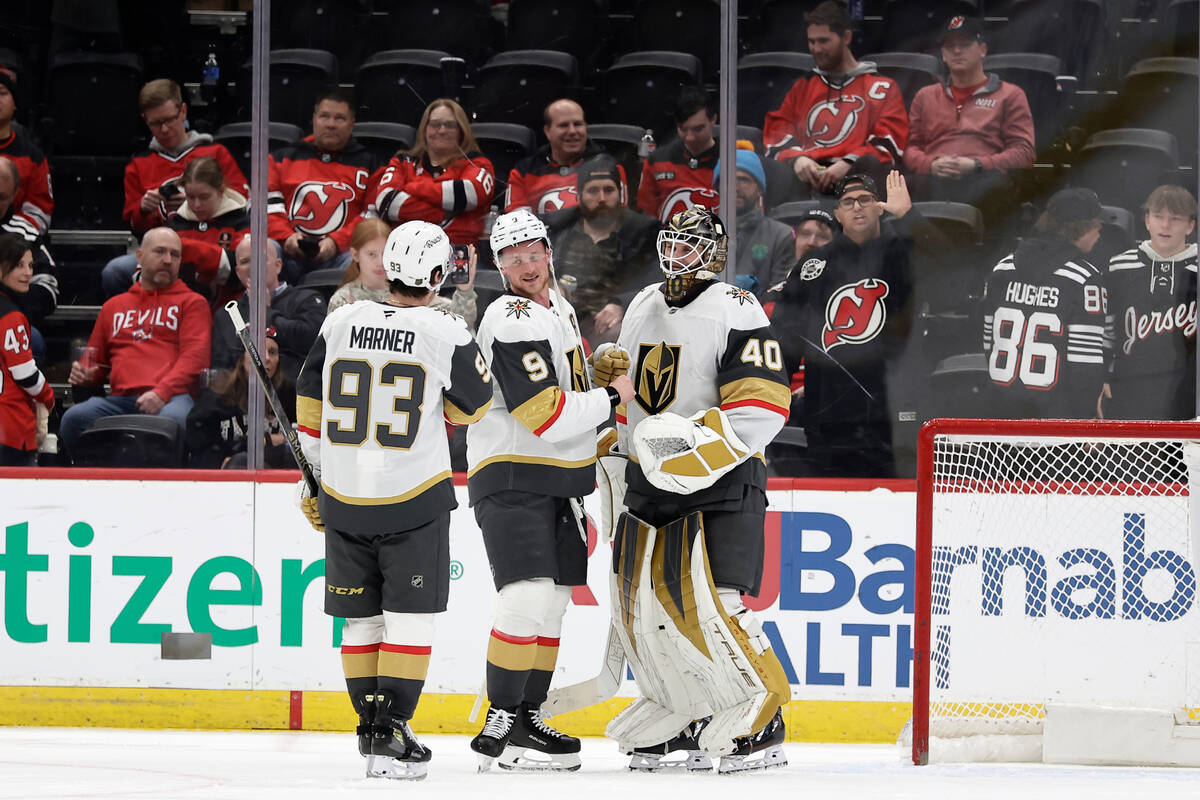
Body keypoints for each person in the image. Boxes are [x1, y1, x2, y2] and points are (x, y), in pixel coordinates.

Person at [294, 220, 494, 780]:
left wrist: (311, 475)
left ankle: (369, 728)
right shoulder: (447, 330)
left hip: (344, 495)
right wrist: (439, 408)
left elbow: (309, 404)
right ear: (436, 273)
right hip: (413, 498)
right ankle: (393, 728)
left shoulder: (340, 321)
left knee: (360, 623)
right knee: (410, 622)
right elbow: (474, 407)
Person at [596, 204, 792, 772]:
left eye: (691, 244)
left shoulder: (737, 307)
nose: (678, 253)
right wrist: (614, 403)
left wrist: (685, 449)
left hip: (720, 478)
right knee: (654, 610)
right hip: (649, 483)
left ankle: (763, 712)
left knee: (718, 606)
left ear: (716, 253)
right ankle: (688, 711)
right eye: (672, 242)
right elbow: (635, 402)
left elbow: (763, 407)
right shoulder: (640, 304)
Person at [465, 208, 635, 771]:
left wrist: (593, 371)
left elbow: (562, 387)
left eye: (533, 251)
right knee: (527, 594)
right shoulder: (509, 315)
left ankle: (526, 717)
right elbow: (544, 413)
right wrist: (613, 397)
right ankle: (502, 715)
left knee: (554, 603)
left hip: (559, 477)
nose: (526, 263)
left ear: (548, 251)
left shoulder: (557, 306)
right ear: (499, 264)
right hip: (512, 471)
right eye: (512, 256)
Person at [769, 172, 942, 478]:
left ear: (880, 207)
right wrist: (771, 397)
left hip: (893, 421)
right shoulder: (814, 266)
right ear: (838, 214)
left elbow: (954, 278)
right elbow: (785, 343)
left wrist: (908, 216)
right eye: (848, 202)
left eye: (865, 199)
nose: (857, 207)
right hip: (829, 422)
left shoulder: (904, 254)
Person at [59, 227, 211, 459]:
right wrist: (85, 375)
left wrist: (161, 393)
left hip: (171, 399)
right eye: (160, 252)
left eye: (175, 254)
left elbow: (195, 357)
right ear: (140, 257)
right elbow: (94, 364)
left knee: (173, 422)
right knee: (74, 419)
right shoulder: (114, 306)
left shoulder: (192, 303)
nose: (168, 260)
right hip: (120, 401)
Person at [105, 79, 248, 297]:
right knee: (114, 271)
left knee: (267, 251)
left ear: (183, 111)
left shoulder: (216, 153)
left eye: (169, 119)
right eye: (155, 123)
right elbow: (137, 227)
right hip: (166, 248)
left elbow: (241, 202)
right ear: (145, 120)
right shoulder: (139, 165)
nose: (164, 129)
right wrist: (144, 209)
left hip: (217, 239)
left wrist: (193, 202)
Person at [981, 187, 1111, 420]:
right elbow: (1085, 362)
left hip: (1000, 415)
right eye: (1096, 223)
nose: (1100, 229)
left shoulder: (1002, 268)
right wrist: (1086, 415)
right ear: (1082, 228)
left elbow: (988, 345)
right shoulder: (1085, 279)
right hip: (1057, 425)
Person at [763, 0, 908, 197]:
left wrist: (849, 162)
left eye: (823, 41)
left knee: (871, 164)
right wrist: (797, 159)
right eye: (811, 42)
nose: (816, 49)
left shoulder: (881, 87)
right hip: (806, 178)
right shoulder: (801, 86)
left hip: (858, 179)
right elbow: (777, 131)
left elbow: (888, 143)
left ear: (846, 37)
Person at [904, 16, 1035, 206]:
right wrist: (931, 164)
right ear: (943, 54)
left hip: (984, 180)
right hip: (932, 179)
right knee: (899, 188)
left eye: (965, 44)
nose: (957, 51)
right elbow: (909, 149)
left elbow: (1024, 152)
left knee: (990, 186)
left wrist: (977, 165)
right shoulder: (925, 96)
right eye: (950, 46)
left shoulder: (1010, 94)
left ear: (983, 50)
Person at [1102, 185, 1197, 420]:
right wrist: (1102, 375)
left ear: (1190, 226)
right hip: (1128, 388)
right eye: (1158, 217)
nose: (1165, 226)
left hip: (1188, 392)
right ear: (1146, 221)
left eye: (1175, 219)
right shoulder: (1119, 266)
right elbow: (1106, 329)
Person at [546, 155, 660, 345]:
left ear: (620, 194)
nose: (602, 198)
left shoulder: (644, 234)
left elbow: (658, 279)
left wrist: (622, 303)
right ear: (579, 195)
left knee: (615, 337)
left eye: (609, 190)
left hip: (608, 322)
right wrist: (550, 286)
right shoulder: (556, 230)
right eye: (593, 191)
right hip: (559, 316)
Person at [267, 88, 377, 283]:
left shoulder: (370, 163)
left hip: (341, 255)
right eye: (324, 116)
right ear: (314, 119)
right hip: (287, 253)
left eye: (340, 118)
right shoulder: (281, 158)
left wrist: (336, 242)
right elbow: (266, 207)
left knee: (364, 261)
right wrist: (286, 238)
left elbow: (371, 216)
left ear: (352, 124)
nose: (331, 124)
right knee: (262, 250)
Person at [369, 99, 495, 249]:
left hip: (458, 253)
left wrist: (413, 188)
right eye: (435, 124)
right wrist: (441, 214)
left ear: (461, 130)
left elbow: (468, 193)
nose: (442, 130)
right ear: (424, 129)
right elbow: (386, 202)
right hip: (404, 250)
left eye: (449, 125)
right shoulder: (402, 161)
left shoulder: (477, 163)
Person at [210, 235, 326, 381]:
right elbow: (220, 369)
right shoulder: (228, 313)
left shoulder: (307, 299)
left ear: (278, 265)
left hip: (291, 397)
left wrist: (265, 312)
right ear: (238, 272)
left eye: (261, 258)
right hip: (239, 398)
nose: (254, 266)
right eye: (246, 262)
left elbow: (311, 343)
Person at [328, 218, 478, 328]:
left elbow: (462, 324)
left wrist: (465, 291)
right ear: (355, 255)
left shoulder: (410, 290)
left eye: (384, 253)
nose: (380, 261)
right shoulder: (343, 301)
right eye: (372, 254)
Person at [186, 326, 295, 469]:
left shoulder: (288, 394)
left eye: (272, 352)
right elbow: (199, 448)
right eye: (258, 351)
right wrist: (263, 441)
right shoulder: (216, 396)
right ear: (241, 357)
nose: (266, 358)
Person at [504, 98, 628, 215]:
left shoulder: (609, 167)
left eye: (578, 124)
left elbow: (616, 220)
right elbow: (516, 224)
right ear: (547, 131)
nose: (572, 131)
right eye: (563, 125)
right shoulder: (524, 171)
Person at [0, 234, 54, 466]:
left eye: (30, 265)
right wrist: (48, 397)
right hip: (10, 429)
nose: (28, 273)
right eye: (19, 265)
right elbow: (25, 374)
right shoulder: (12, 316)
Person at [714, 147, 795, 296]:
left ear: (760, 189)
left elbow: (780, 295)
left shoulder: (781, 236)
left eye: (744, 180)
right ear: (718, 187)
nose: (735, 188)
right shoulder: (697, 232)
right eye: (728, 180)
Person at [170, 156, 250, 305]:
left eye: (204, 197)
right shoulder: (176, 223)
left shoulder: (241, 221)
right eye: (190, 197)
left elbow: (243, 275)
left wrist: (190, 249)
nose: (196, 205)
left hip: (231, 309)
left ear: (221, 190)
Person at [636, 87, 721, 223]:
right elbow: (644, 219)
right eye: (683, 129)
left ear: (713, 120)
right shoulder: (657, 161)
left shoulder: (732, 161)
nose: (689, 137)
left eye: (698, 129)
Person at [0, 65, 53, 240]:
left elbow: (40, 214)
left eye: (2, 93)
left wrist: (7, 235)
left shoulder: (33, 157)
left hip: (15, 247)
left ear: (15, 103)